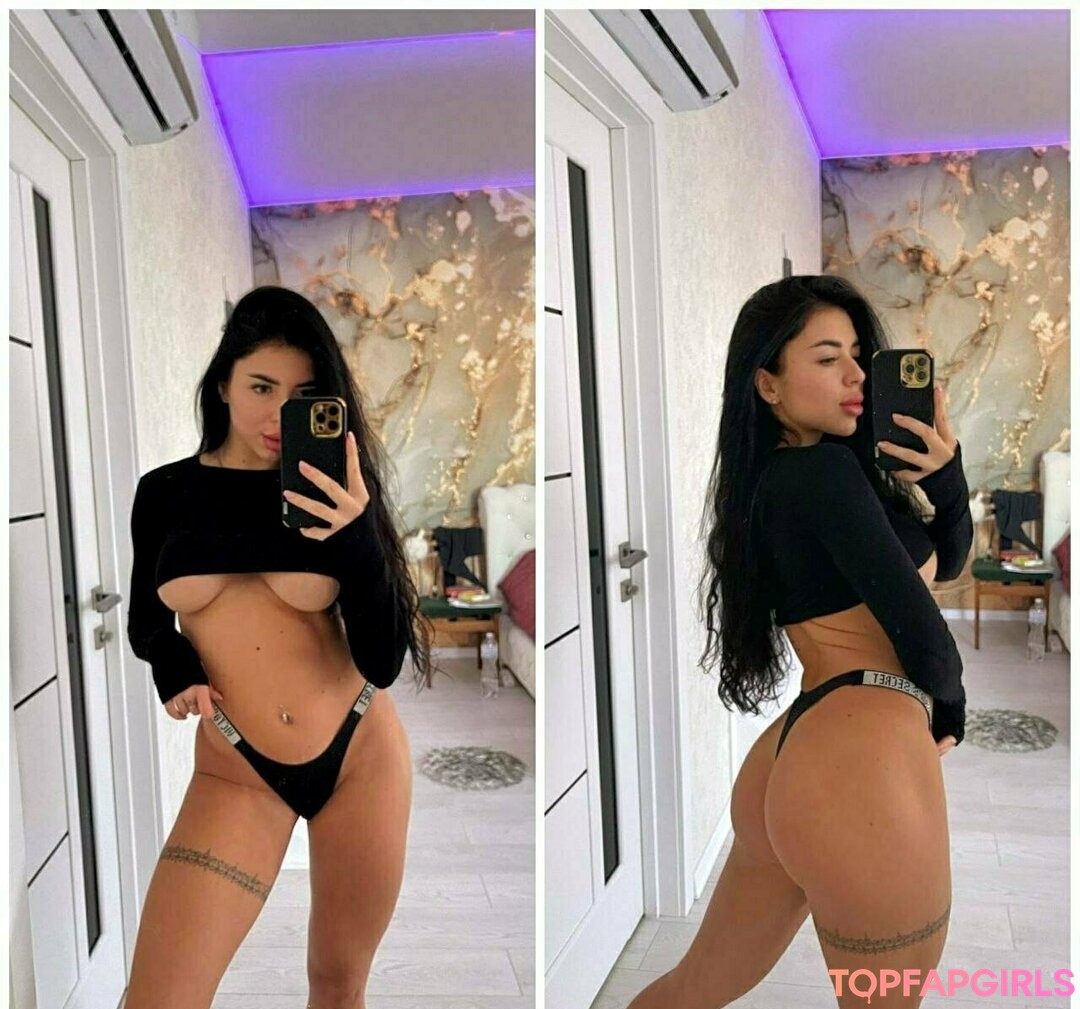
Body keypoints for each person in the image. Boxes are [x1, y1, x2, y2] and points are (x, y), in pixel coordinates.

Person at [628, 275, 972, 1009]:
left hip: (800, 752)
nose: (855, 374)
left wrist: (947, 477)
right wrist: (950, 710)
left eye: (857, 355)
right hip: (859, 759)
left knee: (693, 989)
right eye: (826, 357)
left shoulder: (795, 476)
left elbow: (946, 561)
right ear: (768, 384)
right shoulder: (819, 473)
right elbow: (922, 628)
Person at [124, 285, 430, 1009]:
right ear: (223, 383)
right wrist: (176, 669)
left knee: (337, 985)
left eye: (302, 395)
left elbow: (383, 659)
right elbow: (147, 621)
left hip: (358, 754)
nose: (277, 414)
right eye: (262, 386)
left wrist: (358, 537)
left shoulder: (334, 491)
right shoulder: (164, 494)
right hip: (237, 771)